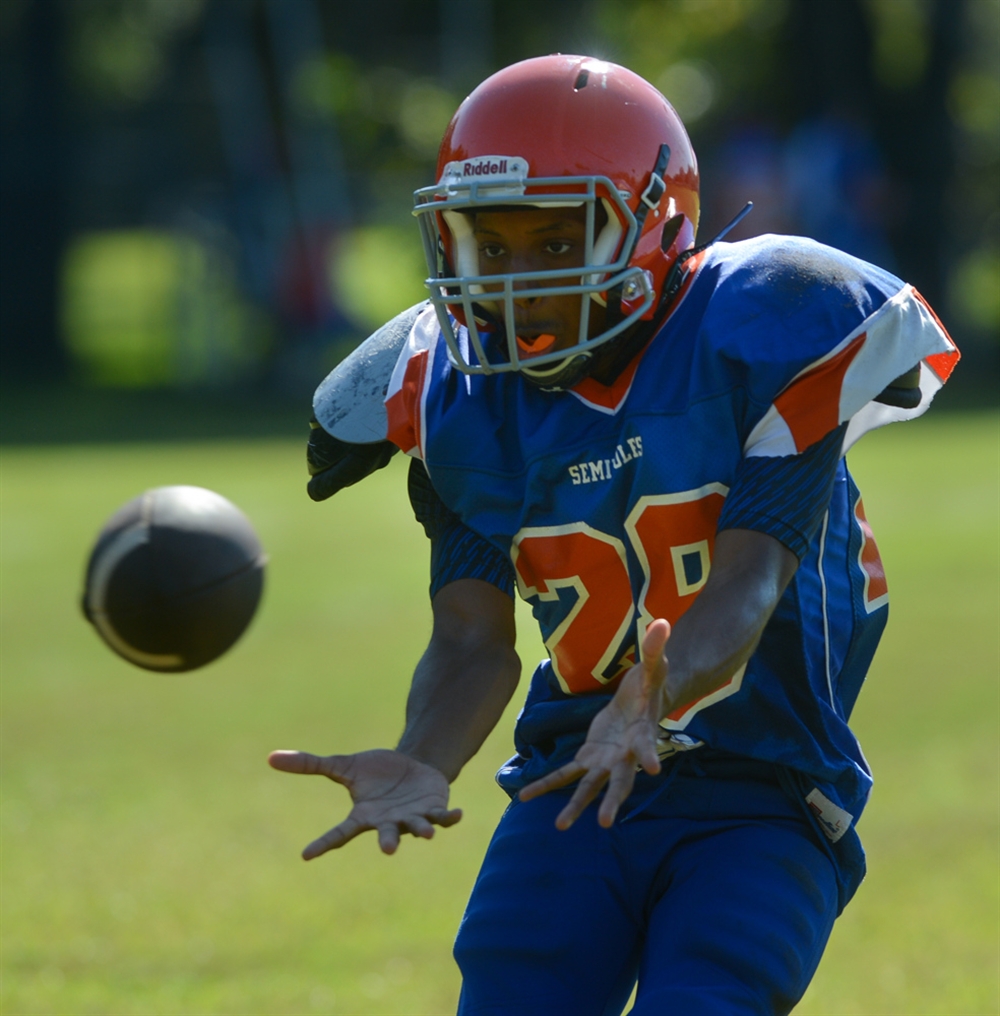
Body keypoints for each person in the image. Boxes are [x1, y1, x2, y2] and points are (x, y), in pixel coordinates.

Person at [269, 55, 959, 1015]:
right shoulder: (457, 396)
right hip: (571, 772)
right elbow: (471, 640)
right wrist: (425, 756)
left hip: (765, 783)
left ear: (655, 223)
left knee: (707, 995)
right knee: (514, 988)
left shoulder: (765, 320)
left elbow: (748, 586)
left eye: (555, 241)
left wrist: (653, 698)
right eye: (490, 245)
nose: (515, 279)